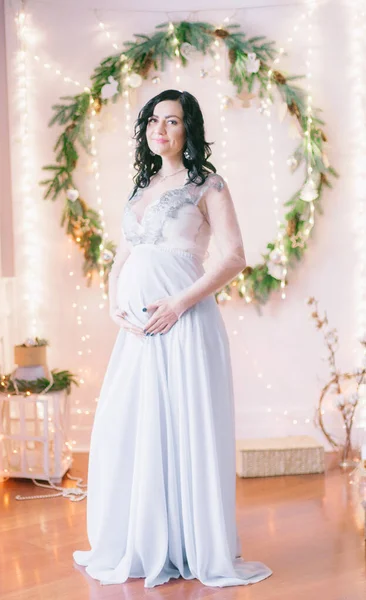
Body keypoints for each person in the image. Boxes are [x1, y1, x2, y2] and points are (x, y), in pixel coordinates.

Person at [73, 89, 273, 588]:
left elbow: (233, 257)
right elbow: (126, 254)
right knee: (136, 426)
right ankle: (141, 539)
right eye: (154, 121)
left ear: (190, 130)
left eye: (173, 121)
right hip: (139, 331)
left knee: (185, 425)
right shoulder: (141, 188)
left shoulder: (208, 185)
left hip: (185, 324)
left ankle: (191, 545)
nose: (161, 129)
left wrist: (180, 303)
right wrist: (114, 299)